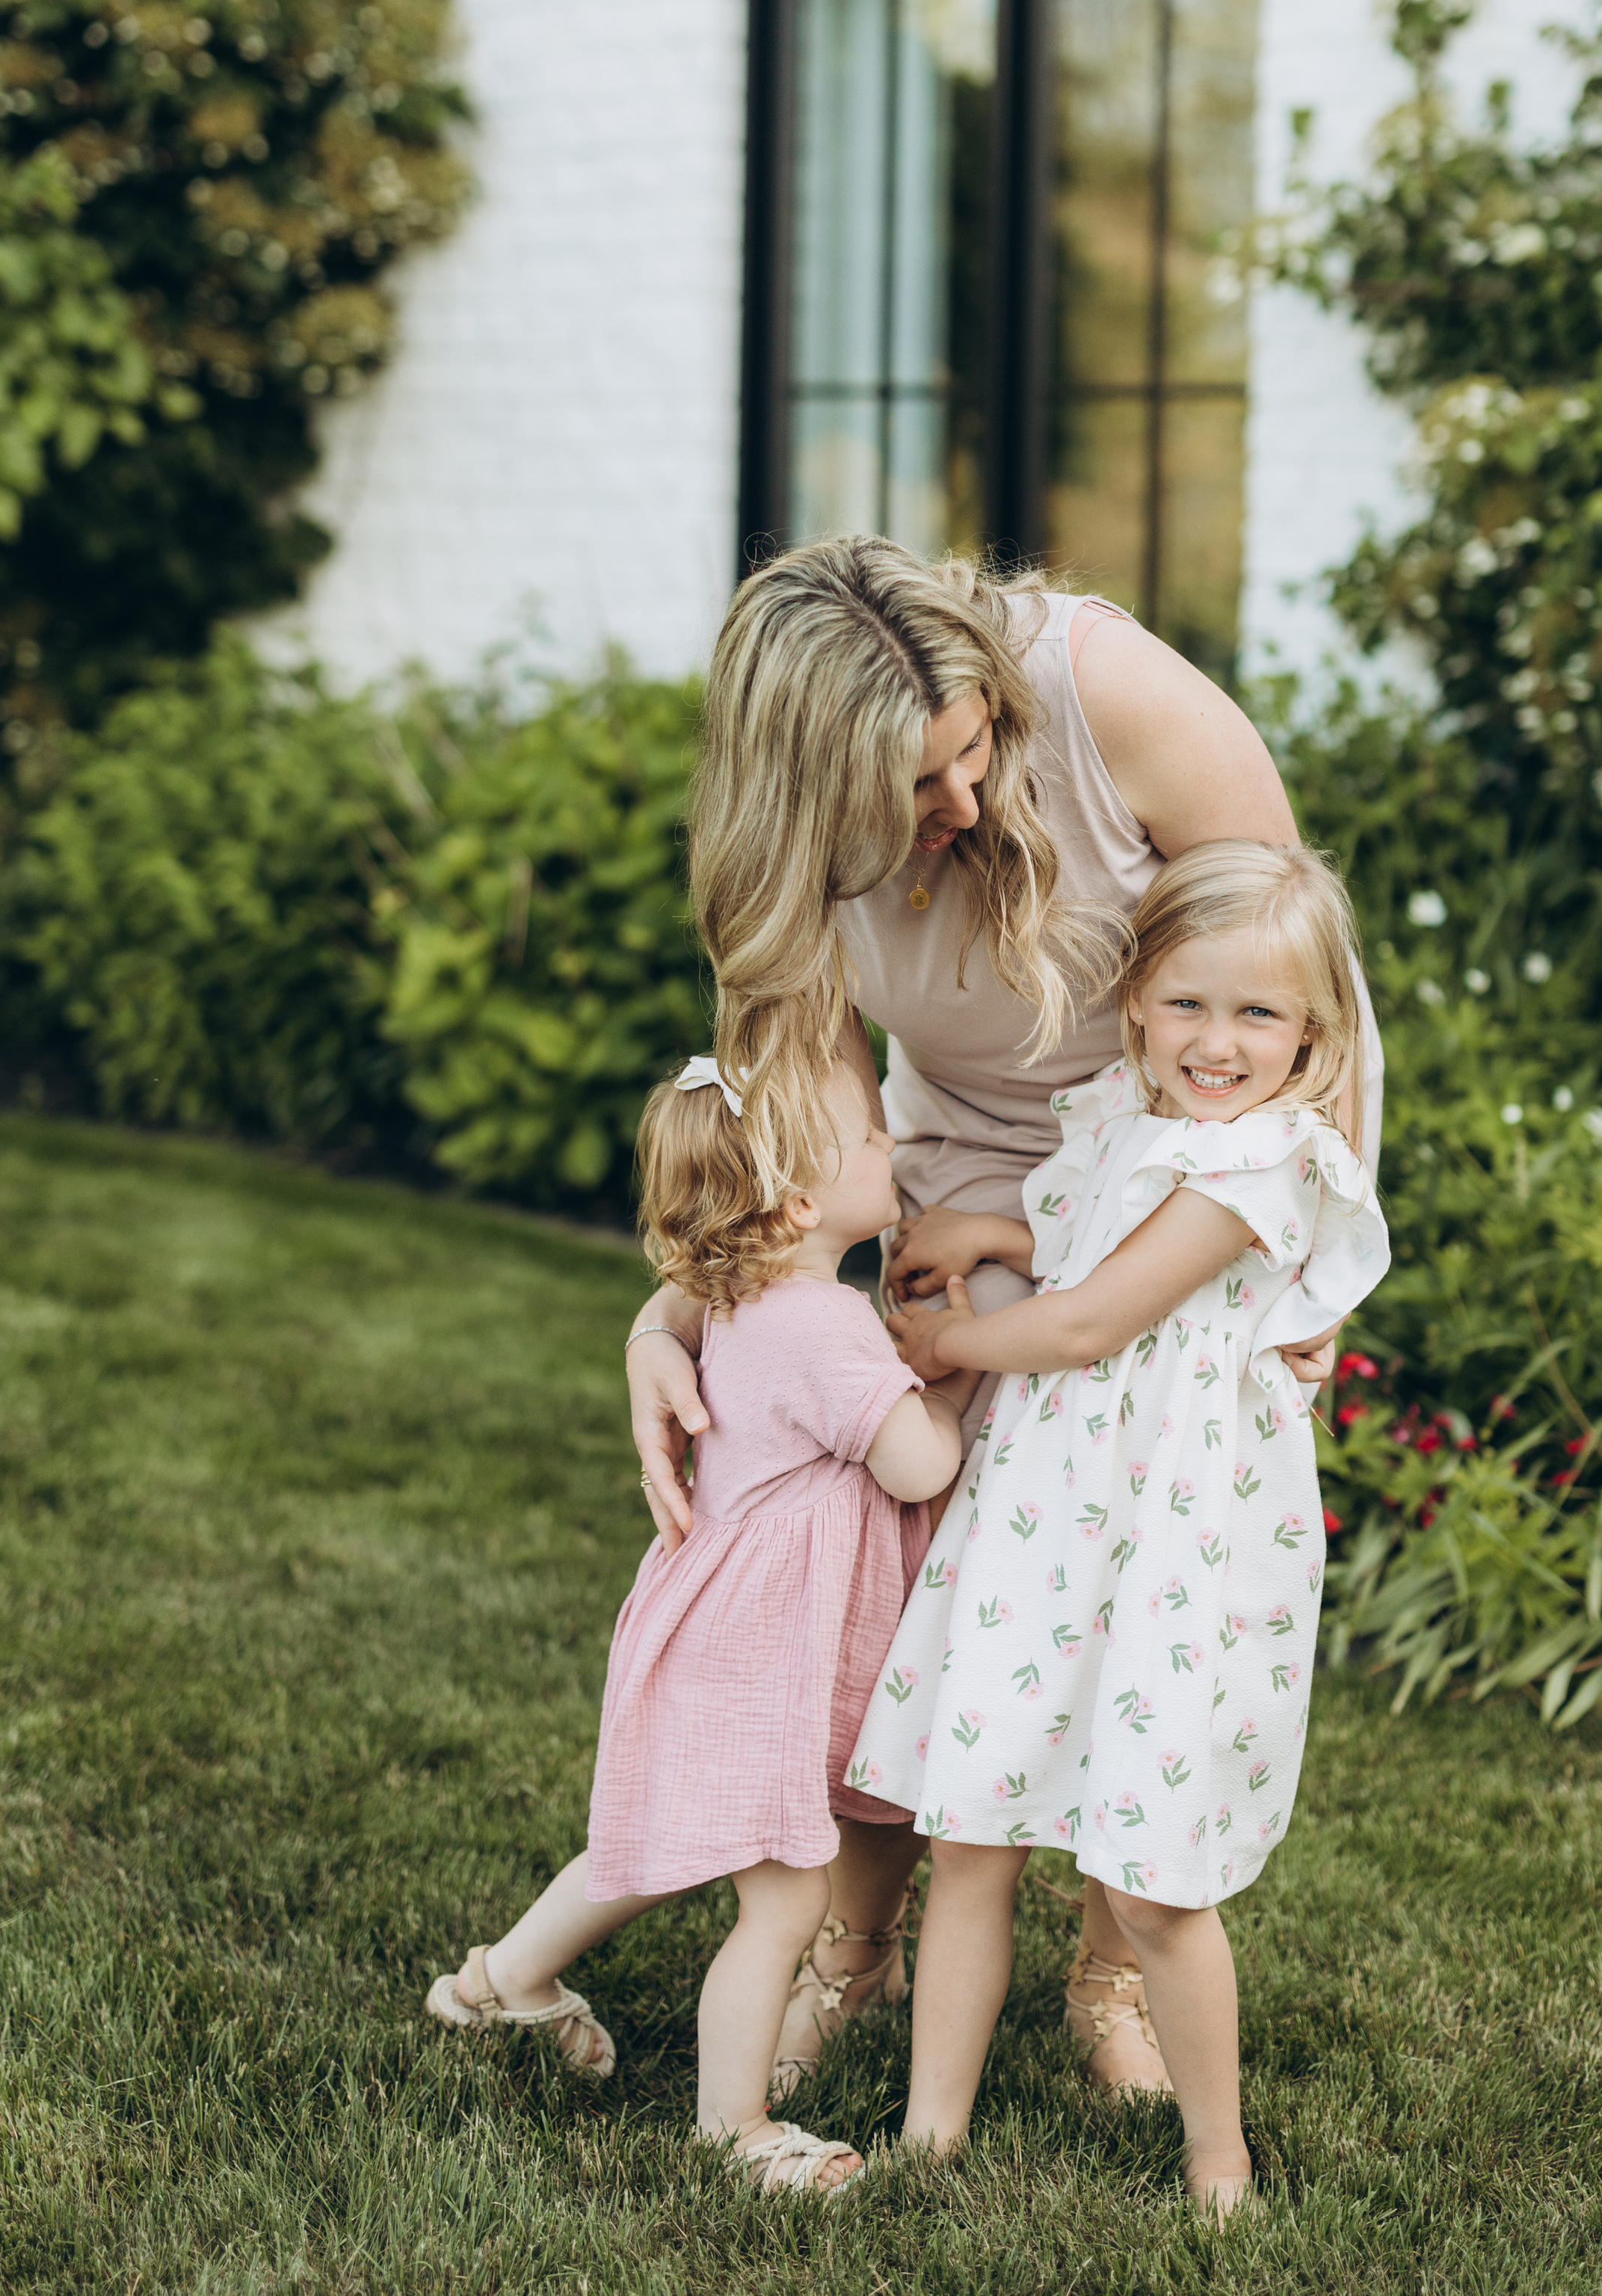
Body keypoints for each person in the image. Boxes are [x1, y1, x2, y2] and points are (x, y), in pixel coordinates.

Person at [624, 538, 1381, 2092]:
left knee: (1141, 1582)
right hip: (963, 1174)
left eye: (969, 750)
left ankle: (1113, 1980)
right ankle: (858, 1944)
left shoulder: (1115, 699)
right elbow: (805, 1130)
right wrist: (701, 1314)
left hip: (1178, 1177)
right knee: (898, 1570)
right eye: (911, 790)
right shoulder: (781, 867)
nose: (958, 805)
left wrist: (1306, 1256)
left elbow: (1306, 983)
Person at [854, 841, 1391, 2219]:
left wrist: (953, 1336)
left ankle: (1220, 2155)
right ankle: (930, 2137)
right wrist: (985, 1223)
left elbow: (1096, 1318)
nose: (1219, 1043)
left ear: (1313, 1034)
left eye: (1260, 1015)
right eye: (1190, 1004)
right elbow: (1078, 1240)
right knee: (972, 1835)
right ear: (1139, 1000)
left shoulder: (1271, 1163)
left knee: (1154, 1876)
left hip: (1174, 1536)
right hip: (1048, 1517)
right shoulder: (1118, 1116)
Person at [425, 1053, 971, 2197]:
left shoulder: (734, 1303)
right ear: (808, 1204)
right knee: (784, 1899)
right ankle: (735, 2127)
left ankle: (503, 1979)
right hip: (758, 1650)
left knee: (664, 1834)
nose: (894, 1151)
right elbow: (920, 1467)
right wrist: (950, 1373)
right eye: (874, 1142)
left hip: (712, 1630)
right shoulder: (825, 1326)